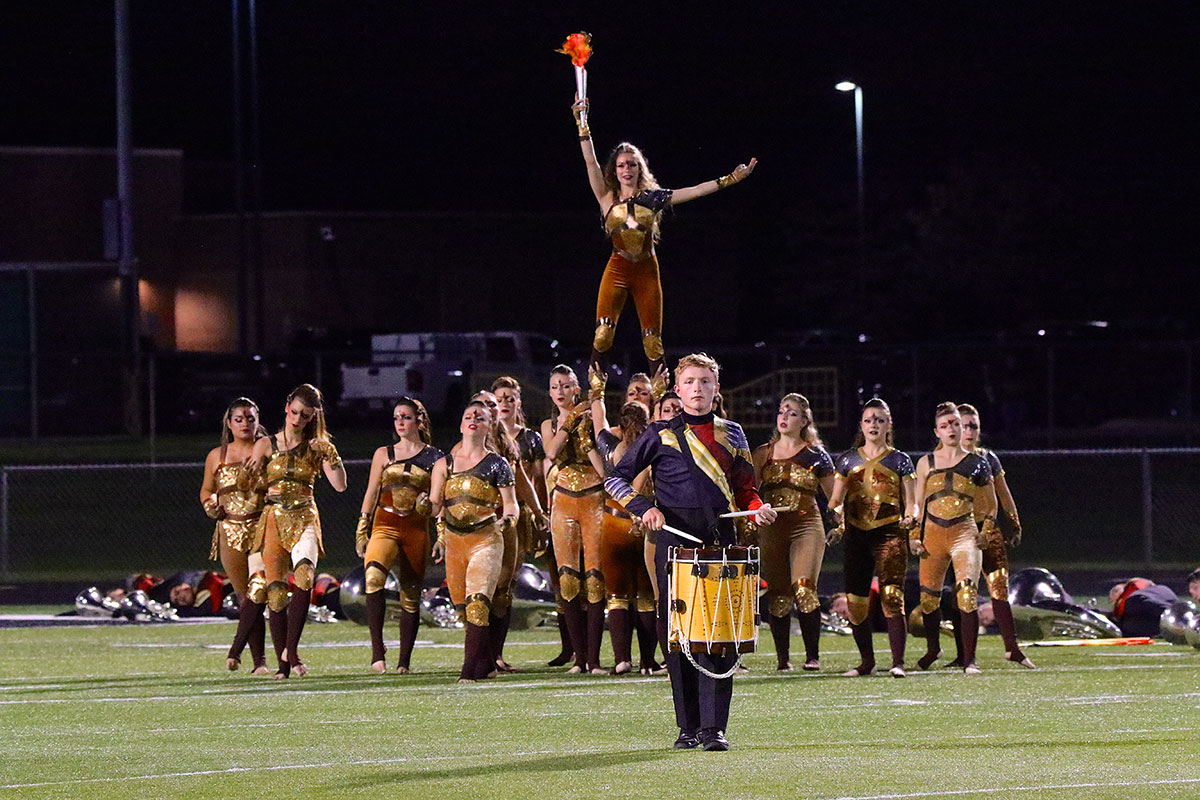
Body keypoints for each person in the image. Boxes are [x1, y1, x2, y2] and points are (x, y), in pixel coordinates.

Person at [606, 353, 777, 752]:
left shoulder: (733, 433)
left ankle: (714, 727)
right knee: (679, 635)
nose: (698, 389)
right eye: (690, 382)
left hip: (721, 540)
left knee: (721, 634)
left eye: (705, 382)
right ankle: (687, 726)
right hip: (674, 541)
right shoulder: (659, 433)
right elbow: (615, 478)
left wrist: (757, 510)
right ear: (678, 389)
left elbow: (746, 490)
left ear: (716, 389)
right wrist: (643, 507)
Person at [571, 96, 757, 373]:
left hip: (646, 268)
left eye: (632, 164)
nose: (626, 170)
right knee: (603, 333)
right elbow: (591, 163)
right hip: (618, 265)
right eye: (621, 165)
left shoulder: (653, 198)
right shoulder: (607, 197)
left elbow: (693, 191)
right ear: (615, 169)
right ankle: (595, 394)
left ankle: (662, 401)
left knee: (652, 340)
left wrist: (730, 179)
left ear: (639, 168)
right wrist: (582, 123)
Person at [247, 384, 347, 678]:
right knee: (275, 591)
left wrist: (331, 453)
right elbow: (252, 488)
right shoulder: (266, 444)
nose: (297, 419)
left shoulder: (316, 446)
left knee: (304, 574)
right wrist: (248, 478)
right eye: (294, 412)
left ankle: (291, 648)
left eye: (304, 416)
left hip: (304, 515)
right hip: (274, 517)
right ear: (286, 407)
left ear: (312, 417)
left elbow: (340, 485)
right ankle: (283, 666)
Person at [429, 400, 519, 682]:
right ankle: (487, 664)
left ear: (488, 426)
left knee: (478, 601)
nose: (473, 420)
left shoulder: (497, 464)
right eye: (468, 416)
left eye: (479, 417)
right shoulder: (444, 463)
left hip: (486, 539)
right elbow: (436, 506)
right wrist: (425, 507)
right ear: (460, 425)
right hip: (456, 542)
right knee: (462, 608)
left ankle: (467, 673)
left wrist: (508, 521)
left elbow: (511, 504)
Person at [826, 398, 917, 678]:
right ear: (861, 426)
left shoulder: (899, 460)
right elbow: (835, 500)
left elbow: (911, 501)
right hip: (856, 534)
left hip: (889, 531)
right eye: (868, 420)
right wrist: (836, 517)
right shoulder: (848, 459)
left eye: (879, 419)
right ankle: (866, 662)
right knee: (856, 601)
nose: (873, 425)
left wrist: (911, 518)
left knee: (891, 595)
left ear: (888, 424)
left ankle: (898, 662)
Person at [354, 397, 442, 673]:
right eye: (396, 418)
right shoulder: (385, 453)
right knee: (373, 576)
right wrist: (361, 529)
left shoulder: (435, 457)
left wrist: (441, 534)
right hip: (385, 523)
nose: (400, 422)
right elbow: (371, 492)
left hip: (416, 528)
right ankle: (377, 652)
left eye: (405, 416)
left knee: (410, 594)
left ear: (419, 420)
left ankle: (404, 660)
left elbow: (439, 502)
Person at [751, 394, 835, 671]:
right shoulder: (763, 453)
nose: (785, 416)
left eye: (793, 413)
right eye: (782, 411)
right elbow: (748, 492)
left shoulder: (815, 455)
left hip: (806, 524)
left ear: (805, 421)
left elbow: (835, 497)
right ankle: (782, 659)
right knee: (777, 594)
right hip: (772, 528)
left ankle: (812, 656)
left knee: (804, 589)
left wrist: (840, 522)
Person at [912, 402, 997, 675]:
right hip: (933, 535)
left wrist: (985, 533)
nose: (951, 429)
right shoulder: (926, 462)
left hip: (964, 533)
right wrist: (914, 535)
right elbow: (917, 504)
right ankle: (933, 648)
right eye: (945, 425)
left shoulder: (977, 463)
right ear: (936, 431)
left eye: (956, 424)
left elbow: (990, 504)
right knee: (928, 599)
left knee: (967, 594)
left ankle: (969, 659)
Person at [590, 369, 660, 675]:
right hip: (645, 522)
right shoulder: (655, 440)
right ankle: (647, 661)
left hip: (617, 521)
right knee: (645, 595)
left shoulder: (611, 442)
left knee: (618, 594)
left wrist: (596, 389)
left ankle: (623, 659)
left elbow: (598, 420)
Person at [541, 365, 608, 673]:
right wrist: (569, 424)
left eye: (566, 386)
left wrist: (588, 432)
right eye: (555, 386)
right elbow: (552, 452)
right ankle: (578, 659)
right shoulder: (548, 423)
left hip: (594, 496)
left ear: (576, 389)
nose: (560, 391)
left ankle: (593, 659)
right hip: (563, 499)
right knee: (568, 579)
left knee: (595, 578)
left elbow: (602, 462)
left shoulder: (591, 412)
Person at [957, 403, 1034, 669]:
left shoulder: (988, 458)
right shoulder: (944, 459)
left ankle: (1012, 648)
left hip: (988, 529)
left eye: (973, 426)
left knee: (999, 589)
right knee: (964, 593)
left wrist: (1014, 524)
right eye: (963, 425)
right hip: (958, 531)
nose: (968, 431)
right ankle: (966, 657)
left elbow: (1004, 494)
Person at [200, 397, 268, 672]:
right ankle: (258, 662)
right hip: (229, 530)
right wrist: (209, 505)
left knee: (259, 591)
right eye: (239, 419)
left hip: (263, 528)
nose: (245, 424)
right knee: (244, 597)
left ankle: (243, 654)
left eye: (250, 419)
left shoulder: (267, 450)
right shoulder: (217, 455)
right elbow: (206, 489)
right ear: (229, 423)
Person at [492, 376, 550, 671]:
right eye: (499, 398)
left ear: (519, 402)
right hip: (485, 517)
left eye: (509, 398)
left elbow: (534, 480)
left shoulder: (529, 439)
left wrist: (541, 514)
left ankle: (494, 653)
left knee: (506, 584)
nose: (504, 403)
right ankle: (480, 652)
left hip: (518, 517)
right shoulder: (480, 437)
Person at [1108, 578, 1178, 636]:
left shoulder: (1133, 599)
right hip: (1169, 606)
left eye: (1114, 602)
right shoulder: (1161, 588)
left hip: (1166, 619)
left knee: (1127, 626)